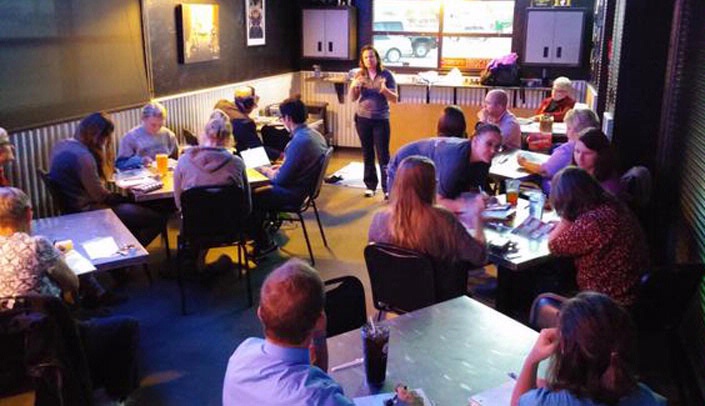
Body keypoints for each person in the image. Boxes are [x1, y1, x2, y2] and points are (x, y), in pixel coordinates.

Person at [0, 187, 140, 401]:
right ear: (29, 214)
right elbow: (72, 283)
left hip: (8, 345)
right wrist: (59, 259)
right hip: (51, 337)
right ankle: (119, 396)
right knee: (127, 326)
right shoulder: (37, 245)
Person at [222, 259, 354, 406]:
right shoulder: (320, 398)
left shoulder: (241, 355)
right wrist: (319, 336)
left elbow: (314, 374)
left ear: (260, 313)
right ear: (319, 321)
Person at [511, 292, 666, 406]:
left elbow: (518, 402)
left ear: (564, 347)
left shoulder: (546, 402)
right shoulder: (647, 398)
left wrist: (532, 360)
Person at [49, 112, 166, 249]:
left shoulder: (62, 145)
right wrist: (124, 199)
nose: (106, 142)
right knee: (158, 219)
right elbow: (100, 196)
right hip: (89, 213)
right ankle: (125, 254)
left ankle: (123, 249)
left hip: (73, 209)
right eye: (106, 138)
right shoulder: (83, 157)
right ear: (98, 136)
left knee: (136, 209)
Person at [548, 167, 649, 306]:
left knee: (544, 295)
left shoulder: (592, 223)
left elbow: (553, 245)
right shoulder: (611, 204)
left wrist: (566, 215)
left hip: (609, 304)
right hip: (631, 291)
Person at [369, 155, 486, 268]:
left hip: (389, 287)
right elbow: (479, 256)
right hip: (438, 287)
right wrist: (478, 218)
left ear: (398, 183)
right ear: (430, 184)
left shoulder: (379, 220)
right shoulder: (444, 220)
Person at [250, 96, 327, 254]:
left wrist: (265, 170)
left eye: (281, 118)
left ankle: (262, 242)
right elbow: (298, 166)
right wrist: (282, 166)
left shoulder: (299, 142)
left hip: (293, 193)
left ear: (288, 118)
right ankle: (265, 234)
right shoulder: (315, 135)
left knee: (251, 196)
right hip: (304, 189)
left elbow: (280, 180)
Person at [387, 124, 502, 213]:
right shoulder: (455, 160)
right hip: (402, 165)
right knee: (403, 215)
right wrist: (467, 206)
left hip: (430, 171)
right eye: (489, 144)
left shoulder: (484, 159)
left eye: (497, 147)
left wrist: (486, 199)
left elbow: (475, 190)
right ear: (475, 140)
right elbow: (438, 201)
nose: (493, 151)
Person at [349, 44, 398, 198]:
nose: (369, 60)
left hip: (380, 120)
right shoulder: (359, 75)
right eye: (366, 57)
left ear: (376, 58)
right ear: (362, 61)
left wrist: (384, 90)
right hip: (362, 119)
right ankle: (370, 186)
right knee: (367, 153)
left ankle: (387, 188)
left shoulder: (386, 75)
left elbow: (395, 99)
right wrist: (354, 88)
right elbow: (352, 98)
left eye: (371, 56)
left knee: (383, 155)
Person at [173, 115, 250, 212]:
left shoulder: (183, 161)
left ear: (203, 136)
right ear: (229, 139)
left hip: (194, 223)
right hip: (230, 223)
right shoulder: (237, 163)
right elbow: (246, 206)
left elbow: (179, 204)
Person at [517, 108, 600, 194]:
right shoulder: (596, 144)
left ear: (578, 131)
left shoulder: (570, 148)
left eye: (569, 128)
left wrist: (524, 163)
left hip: (556, 193)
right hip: (575, 190)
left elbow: (545, 171)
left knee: (518, 180)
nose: (566, 132)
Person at [214, 86, 282, 161]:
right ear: (249, 103)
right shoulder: (245, 123)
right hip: (236, 157)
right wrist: (280, 155)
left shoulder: (221, 106)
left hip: (217, 154)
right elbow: (258, 150)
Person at [115, 101, 178, 170]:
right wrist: (140, 161)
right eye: (153, 125)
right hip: (141, 176)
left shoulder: (168, 135)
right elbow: (120, 164)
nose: (157, 129)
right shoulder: (130, 138)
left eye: (160, 125)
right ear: (143, 119)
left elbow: (175, 159)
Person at [573, 128, 623, 195]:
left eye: (587, 153)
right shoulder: (575, 176)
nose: (580, 158)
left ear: (601, 155)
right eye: (577, 151)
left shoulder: (608, 188)